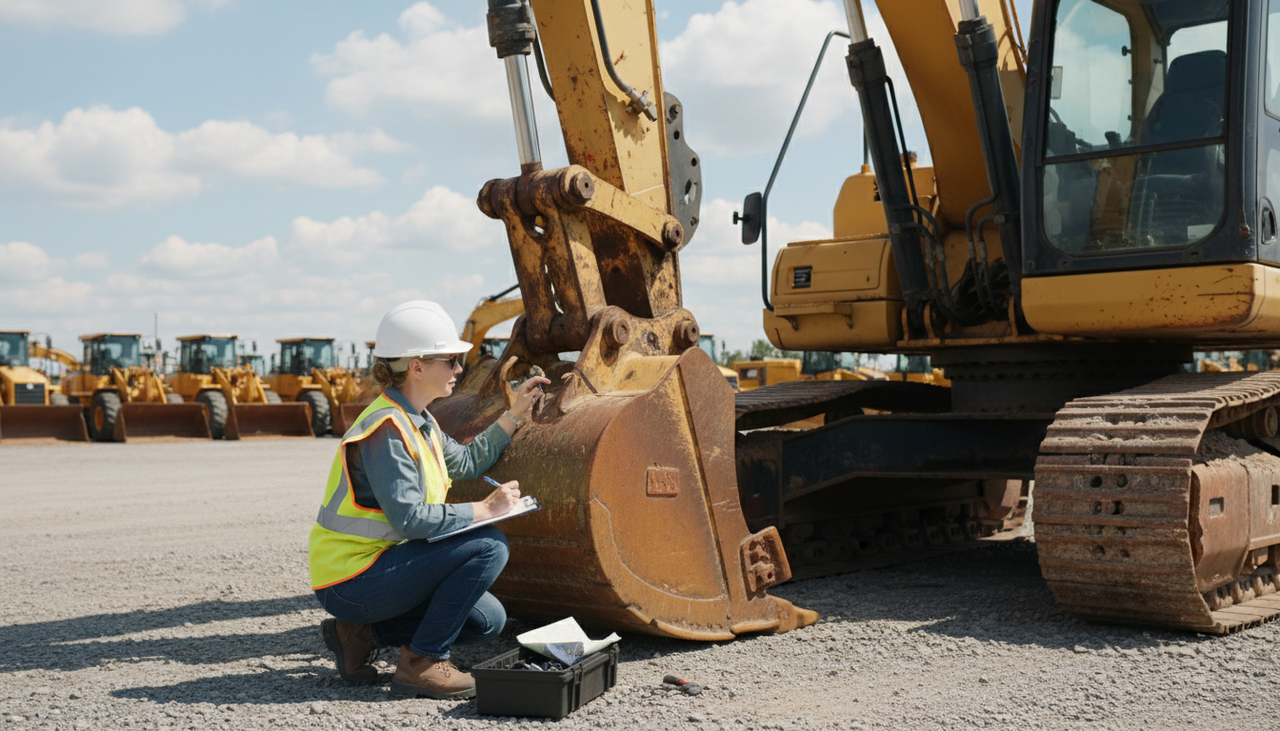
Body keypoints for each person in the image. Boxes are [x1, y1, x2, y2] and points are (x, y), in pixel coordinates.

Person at [308, 300, 550, 699]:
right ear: (416, 367)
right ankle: (421, 663)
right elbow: (410, 520)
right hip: (350, 578)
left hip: (377, 567)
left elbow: (469, 460)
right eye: (450, 361)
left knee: (487, 620)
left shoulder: (420, 420)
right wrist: (484, 510)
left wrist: (516, 413)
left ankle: (361, 633)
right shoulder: (386, 430)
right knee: (490, 547)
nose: (459, 369)